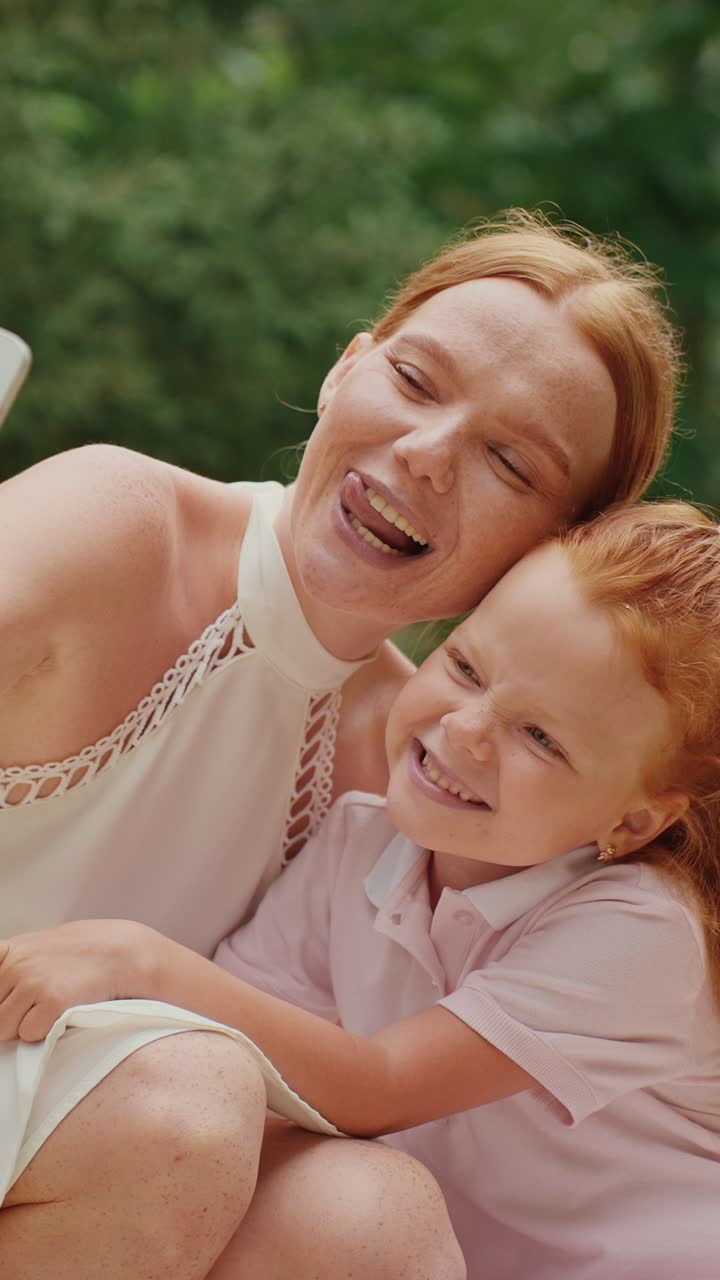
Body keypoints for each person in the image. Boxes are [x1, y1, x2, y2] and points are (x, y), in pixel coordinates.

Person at [0, 211, 681, 1279]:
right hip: (121, 1123)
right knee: (191, 1103)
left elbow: (379, 1087)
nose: (426, 453)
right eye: (414, 380)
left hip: (89, 1165)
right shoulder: (114, 523)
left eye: (509, 459)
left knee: (371, 1214)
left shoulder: (413, 781)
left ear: (555, 551)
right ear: (343, 366)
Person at [6, 500, 720, 1280]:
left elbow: (378, 1086)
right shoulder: (358, 845)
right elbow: (250, 1061)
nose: (468, 729)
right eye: (467, 667)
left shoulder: (642, 933)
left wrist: (135, 960)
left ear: (634, 821)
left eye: (541, 737)